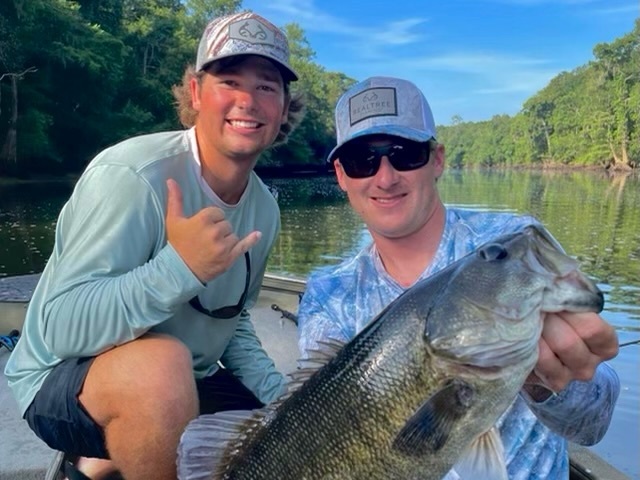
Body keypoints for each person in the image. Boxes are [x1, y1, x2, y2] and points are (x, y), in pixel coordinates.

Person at [5, 11, 303, 480]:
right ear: (196, 94)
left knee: (280, 442)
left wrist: (284, 398)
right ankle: (102, 445)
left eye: (267, 86)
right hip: (62, 381)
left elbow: (233, 321)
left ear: (285, 108)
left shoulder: (264, 208)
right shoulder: (131, 176)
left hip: (193, 380)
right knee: (161, 368)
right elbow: (60, 327)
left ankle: (105, 460)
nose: (248, 99)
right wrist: (181, 267)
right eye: (228, 80)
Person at [297, 76, 620, 479]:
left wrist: (549, 383)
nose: (385, 177)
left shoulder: (509, 248)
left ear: (437, 159)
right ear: (341, 176)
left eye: (405, 154)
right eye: (363, 161)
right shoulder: (330, 295)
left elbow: (594, 423)